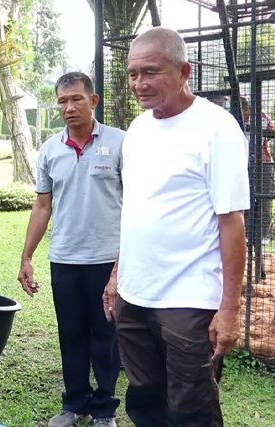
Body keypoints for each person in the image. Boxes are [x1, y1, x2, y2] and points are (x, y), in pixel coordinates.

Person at [103, 27, 250, 426]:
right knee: (144, 399)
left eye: (150, 72)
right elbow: (135, 210)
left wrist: (230, 308)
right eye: (132, 74)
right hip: (136, 295)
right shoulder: (138, 130)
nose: (139, 84)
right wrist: (118, 274)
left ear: (184, 71)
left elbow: (232, 222)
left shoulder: (217, 129)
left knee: (192, 407)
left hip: (188, 299)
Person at [18, 71, 124, 427]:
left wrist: (120, 265)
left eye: (76, 99)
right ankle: (74, 403)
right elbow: (42, 206)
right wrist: (27, 256)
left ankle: (105, 410)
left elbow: (135, 205)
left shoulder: (121, 143)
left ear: (93, 101)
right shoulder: (50, 149)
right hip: (64, 259)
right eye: (62, 101)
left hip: (107, 260)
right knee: (71, 333)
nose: (69, 107)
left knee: (106, 337)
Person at [240, 95, 275, 250]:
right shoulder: (233, 118)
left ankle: (263, 236)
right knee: (244, 199)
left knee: (264, 200)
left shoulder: (261, 117)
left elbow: (272, 132)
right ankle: (248, 234)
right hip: (243, 164)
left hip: (263, 163)